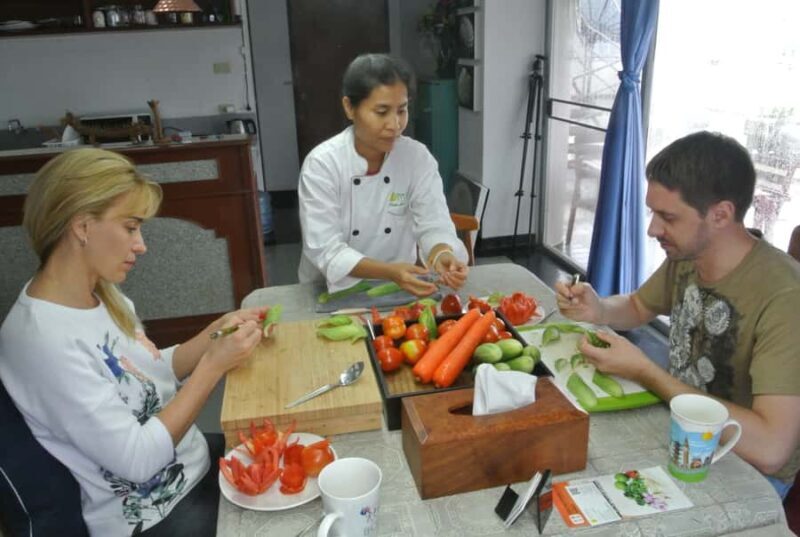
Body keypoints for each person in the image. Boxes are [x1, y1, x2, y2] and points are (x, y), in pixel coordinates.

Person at [0, 148, 264, 535]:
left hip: (191, 465)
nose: (141, 245)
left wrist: (215, 334)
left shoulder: (100, 293)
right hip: (158, 516)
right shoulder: (40, 340)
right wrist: (213, 367)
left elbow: (148, 377)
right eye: (130, 227)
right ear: (82, 226)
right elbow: (138, 460)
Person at [555, 131, 800, 498]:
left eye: (667, 217)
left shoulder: (785, 297)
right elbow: (639, 306)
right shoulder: (688, 254)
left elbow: (770, 448)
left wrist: (647, 373)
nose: (653, 229)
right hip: (679, 428)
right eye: (653, 212)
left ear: (720, 214)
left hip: (743, 462)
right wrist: (599, 308)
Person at [298, 53, 469, 297]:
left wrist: (443, 254)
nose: (395, 124)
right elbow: (326, 249)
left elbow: (434, 222)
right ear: (349, 107)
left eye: (402, 110)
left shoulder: (416, 158)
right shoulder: (323, 164)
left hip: (400, 286)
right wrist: (390, 271)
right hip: (329, 288)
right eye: (381, 112)